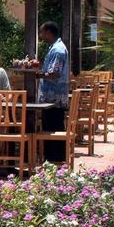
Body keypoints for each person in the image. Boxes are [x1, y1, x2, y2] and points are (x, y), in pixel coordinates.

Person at [37, 21, 69, 162]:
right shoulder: (54, 48)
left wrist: (39, 74)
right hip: (50, 99)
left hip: (53, 99)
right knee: (50, 126)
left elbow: (55, 73)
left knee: (53, 128)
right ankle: (51, 158)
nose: (41, 35)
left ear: (49, 32)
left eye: (42, 32)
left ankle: (55, 158)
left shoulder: (58, 50)